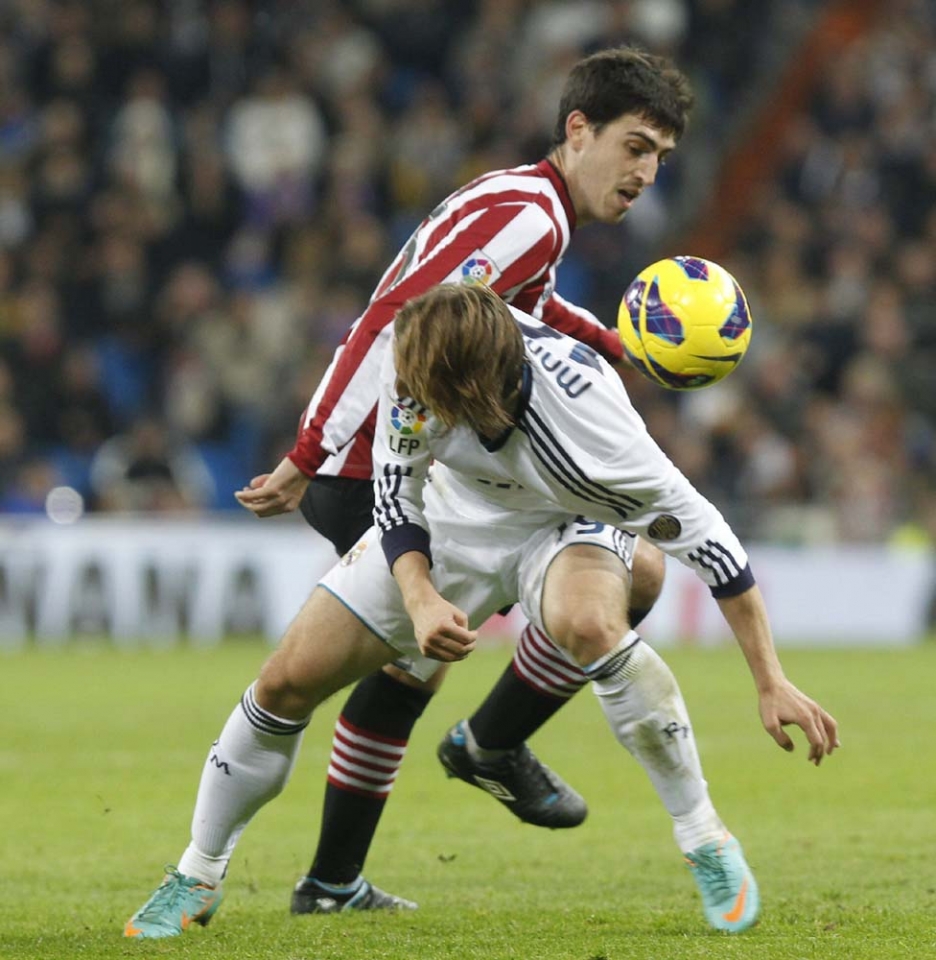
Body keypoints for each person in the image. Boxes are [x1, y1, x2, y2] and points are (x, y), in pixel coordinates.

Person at [125, 284, 839, 939]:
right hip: (453, 517)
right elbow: (398, 495)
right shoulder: (415, 360)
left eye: (430, 395)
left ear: (478, 390)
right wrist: (420, 595)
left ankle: (705, 839)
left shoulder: (598, 437)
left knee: (592, 624)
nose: (410, 402)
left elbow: (719, 552)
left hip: (563, 523)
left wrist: (770, 680)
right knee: (284, 682)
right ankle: (197, 872)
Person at [232, 45, 691, 915]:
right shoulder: (534, 220)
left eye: (660, 158)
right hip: (377, 466)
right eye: (634, 147)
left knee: (412, 668)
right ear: (579, 130)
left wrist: (614, 343)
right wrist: (308, 451)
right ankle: (487, 748)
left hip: (378, 460)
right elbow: (398, 324)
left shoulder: (523, 204)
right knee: (621, 576)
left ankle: (336, 879)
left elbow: (529, 308)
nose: (645, 174)